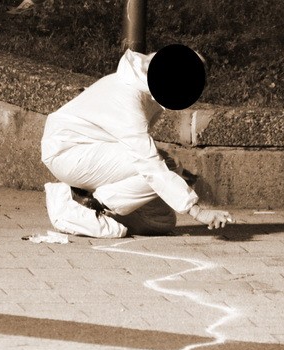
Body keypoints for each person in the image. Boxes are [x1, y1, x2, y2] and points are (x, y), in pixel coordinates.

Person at [41, 44, 234, 238]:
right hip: (68, 152)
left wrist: (174, 184)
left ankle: (97, 204)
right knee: (166, 165)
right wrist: (197, 211)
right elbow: (147, 162)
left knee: (159, 222)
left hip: (90, 150)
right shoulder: (128, 97)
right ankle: (87, 205)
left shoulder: (145, 87)